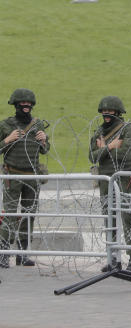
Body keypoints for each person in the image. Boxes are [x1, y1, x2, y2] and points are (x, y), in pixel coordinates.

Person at [88, 95, 131, 272]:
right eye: (104, 111)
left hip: (124, 177)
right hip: (106, 179)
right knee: (109, 216)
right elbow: (92, 156)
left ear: (118, 112)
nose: (106, 114)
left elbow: (126, 153)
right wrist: (110, 147)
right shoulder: (99, 132)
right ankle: (112, 256)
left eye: (110, 111)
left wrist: (103, 149)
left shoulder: (128, 129)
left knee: (128, 216)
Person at [0, 88, 49, 268]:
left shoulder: (37, 125)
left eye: (29, 104)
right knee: (11, 214)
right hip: (12, 175)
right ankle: (4, 253)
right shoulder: (5, 125)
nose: (26, 106)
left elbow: (44, 150)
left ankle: (22, 253)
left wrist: (44, 140)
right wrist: (7, 140)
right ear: (15, 105)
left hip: (32, 176)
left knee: (29, 215)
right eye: (22, 104)